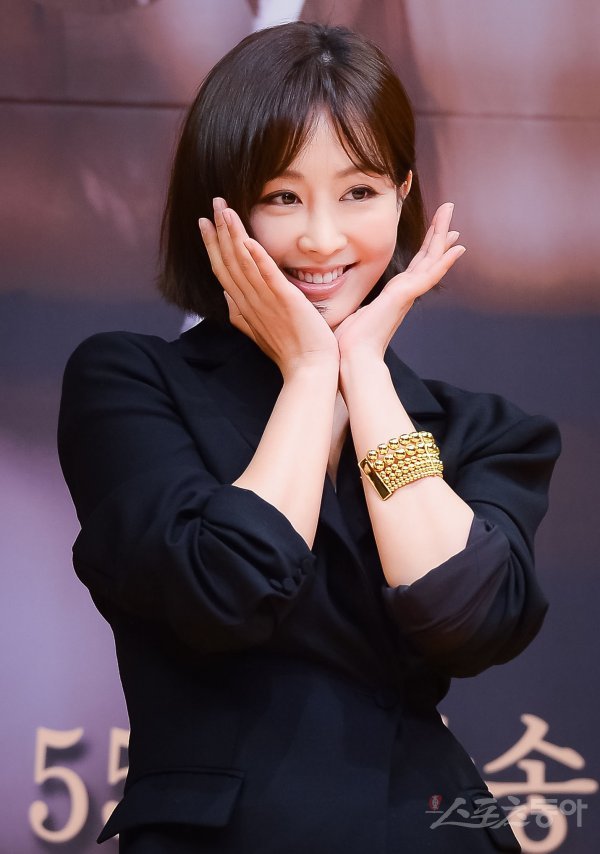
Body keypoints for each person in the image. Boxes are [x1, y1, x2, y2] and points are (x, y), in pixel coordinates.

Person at [58, 21, 560, 853]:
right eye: (282, 197)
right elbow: (221, 589)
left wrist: (360, 368)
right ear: (219, 208)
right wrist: (306, 372)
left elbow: (465, 614)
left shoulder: (483, 430)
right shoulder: (132, 383)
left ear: (402, 195)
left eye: (359, 192)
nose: (322, 239)